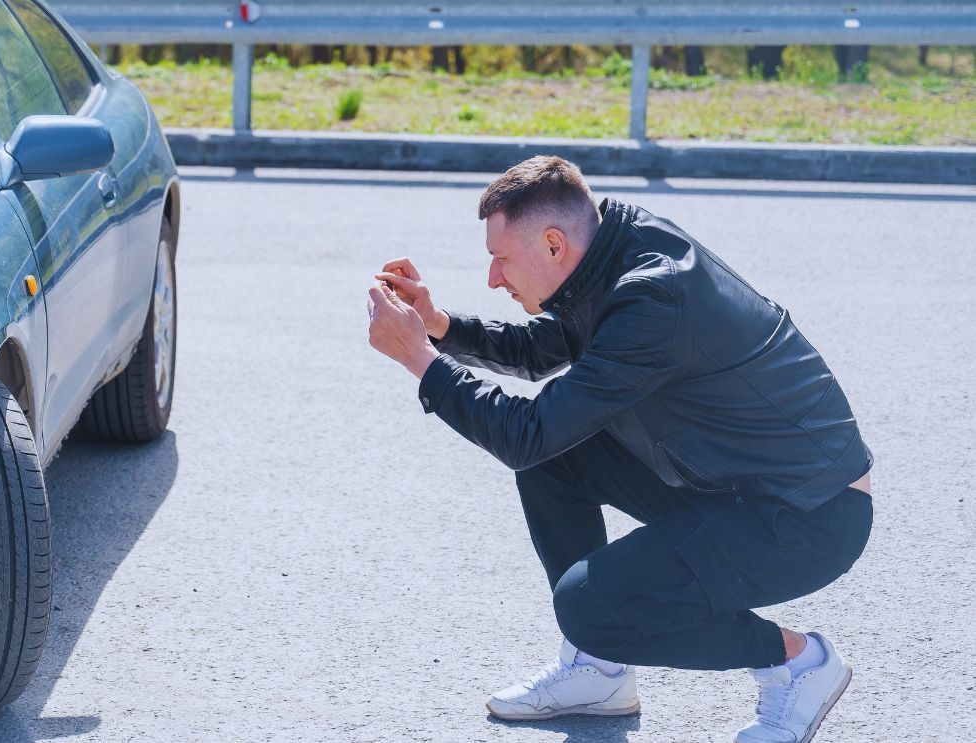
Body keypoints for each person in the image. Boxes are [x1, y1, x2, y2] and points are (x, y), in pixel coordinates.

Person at [366, 156, 873, 743]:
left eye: (500, 259)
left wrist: (419, 360)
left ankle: (799, 664)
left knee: (590, 605)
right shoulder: (613, 249)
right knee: (555, 461)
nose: (493, 278)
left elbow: (523, 431)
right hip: (731, 485)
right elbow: (544, 350)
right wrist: (437, 324)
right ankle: (599, 672)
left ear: (554, 244)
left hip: (808, 516)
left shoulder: (654, 297)